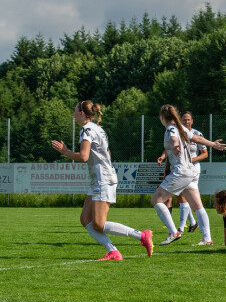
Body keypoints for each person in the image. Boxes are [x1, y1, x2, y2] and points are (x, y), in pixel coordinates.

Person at [51, 100, 153, 261]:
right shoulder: (97, 129)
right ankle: (113, 251)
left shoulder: (87, 129)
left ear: (82, 113)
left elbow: (83, 157)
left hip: (103, 179)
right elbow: (108, 153)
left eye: (75, 111)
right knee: (85, 219)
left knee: (98, 223)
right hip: (99, 179)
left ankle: (141, 235)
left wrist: (65, 152)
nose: (73, 114)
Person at [151, 104, 226, 246]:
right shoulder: (182, 128)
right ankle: (207, 239)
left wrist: (175, 146)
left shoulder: (171, 128)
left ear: (162, 117)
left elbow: (174, 139)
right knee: (197, 206)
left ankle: (173, 232)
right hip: (190, 171)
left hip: (180, 172)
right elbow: (197, 139)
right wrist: (213, 144)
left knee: (156, 200)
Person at [156, 111, 207, 233]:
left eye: (188, 119)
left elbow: (205, 154)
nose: (186, 122)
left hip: (191, 168)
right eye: (184, 119)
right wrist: (163, 156)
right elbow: (170, 145)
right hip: (180, 167)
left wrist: (191, 159)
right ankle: (194, 224)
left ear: (192, 121)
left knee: (183, 197)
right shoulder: (178, 131)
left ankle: (180, 228)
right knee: (185, 198)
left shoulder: (196, 133)